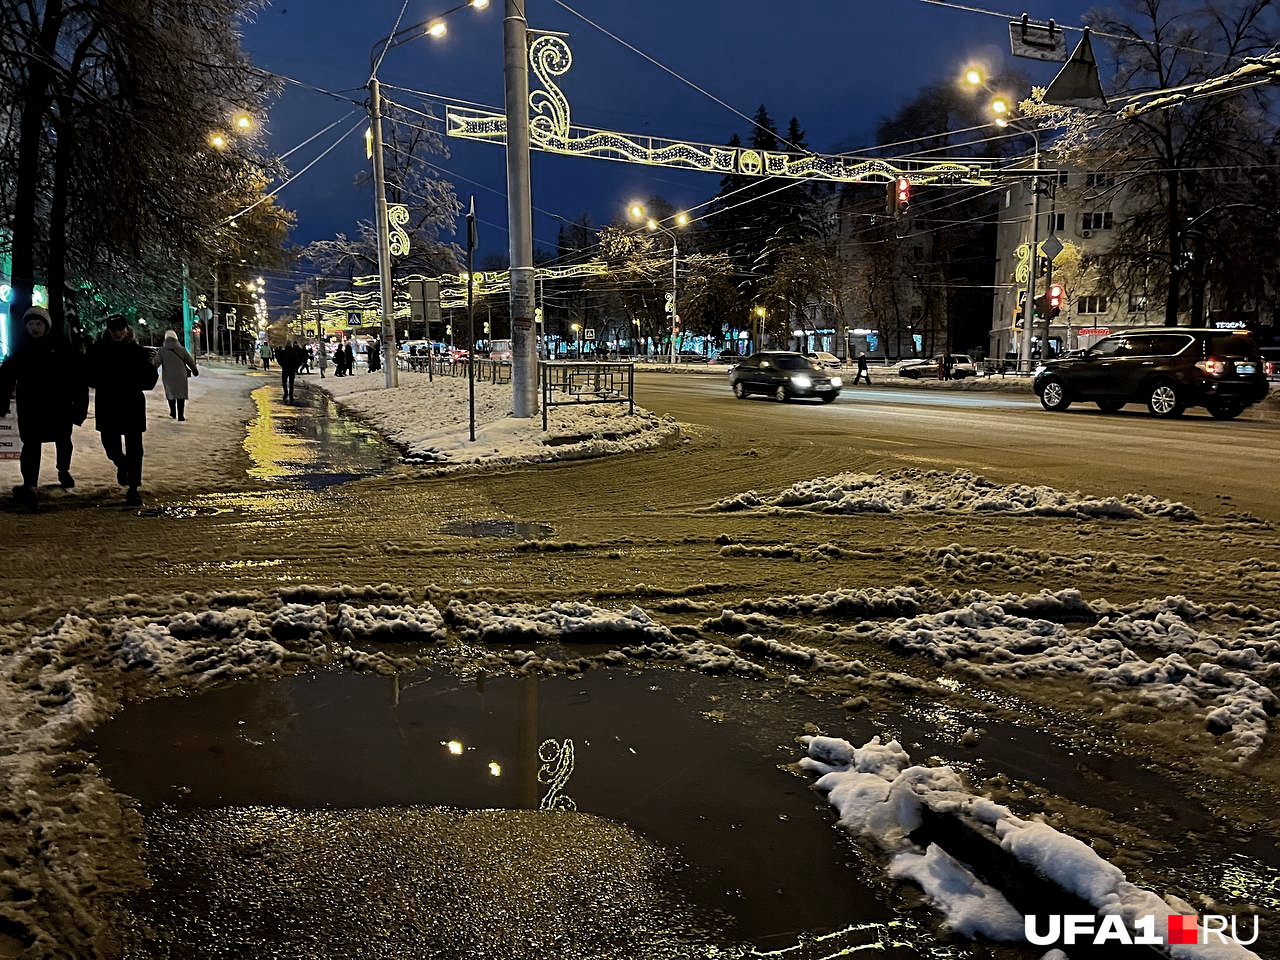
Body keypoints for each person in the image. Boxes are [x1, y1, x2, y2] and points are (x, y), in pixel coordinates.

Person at [0, 305, 89, 507]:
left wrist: (78, 406)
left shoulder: (60, 346)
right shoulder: (21, 347)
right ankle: (30, 482)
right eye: (31, 324)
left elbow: (77, 377)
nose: (34, 327)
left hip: (57, 404)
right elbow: (6, 376)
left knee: (63, 440)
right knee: (31, 445)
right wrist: (2, 400)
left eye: (38, 323)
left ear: (46, 325)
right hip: (30, 405)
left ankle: (63, 470)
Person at [87, 313, 159, 507]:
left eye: (120, 329)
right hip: (108, 404)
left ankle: (134, 488)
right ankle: (122, 464)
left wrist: (148, 372)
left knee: (135, 448)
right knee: (110, 445)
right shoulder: (98, 350)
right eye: (114, 330)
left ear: (127, 329)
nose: (117, 333)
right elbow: (88, 375)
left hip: (131, 404)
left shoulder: (138, 352)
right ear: (108, 331)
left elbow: (150, 380)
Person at [155, 329, 199, 421]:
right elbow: (190, 361)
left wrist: (148, 371)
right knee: (180, 394)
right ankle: (181, 415)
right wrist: (194, 370)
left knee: (170, 394)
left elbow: (156, 363)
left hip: (168, 376)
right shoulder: (181, 349)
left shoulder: (162, 351)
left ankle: (173, 412)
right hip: (181, 375)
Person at [277, 337, 304, 403]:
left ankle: (286, 393)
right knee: (291, 383)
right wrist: (295, 367)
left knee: (284, 382)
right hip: (292, 370)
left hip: (285, 369)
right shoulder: (294, 352)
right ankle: (291, 396)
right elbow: (298, 361)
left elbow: (279, 360)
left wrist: (283, 365)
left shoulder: (283, 352)